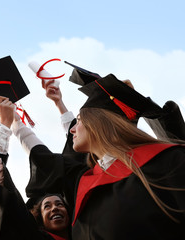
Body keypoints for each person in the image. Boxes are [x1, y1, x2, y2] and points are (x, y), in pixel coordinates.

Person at [15, 73, 185, 239]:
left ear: (99, 123)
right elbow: (47, 160)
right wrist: (14, 122)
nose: (73, 129)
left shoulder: (167, 162)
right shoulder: (86, 183)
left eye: (79, 120)